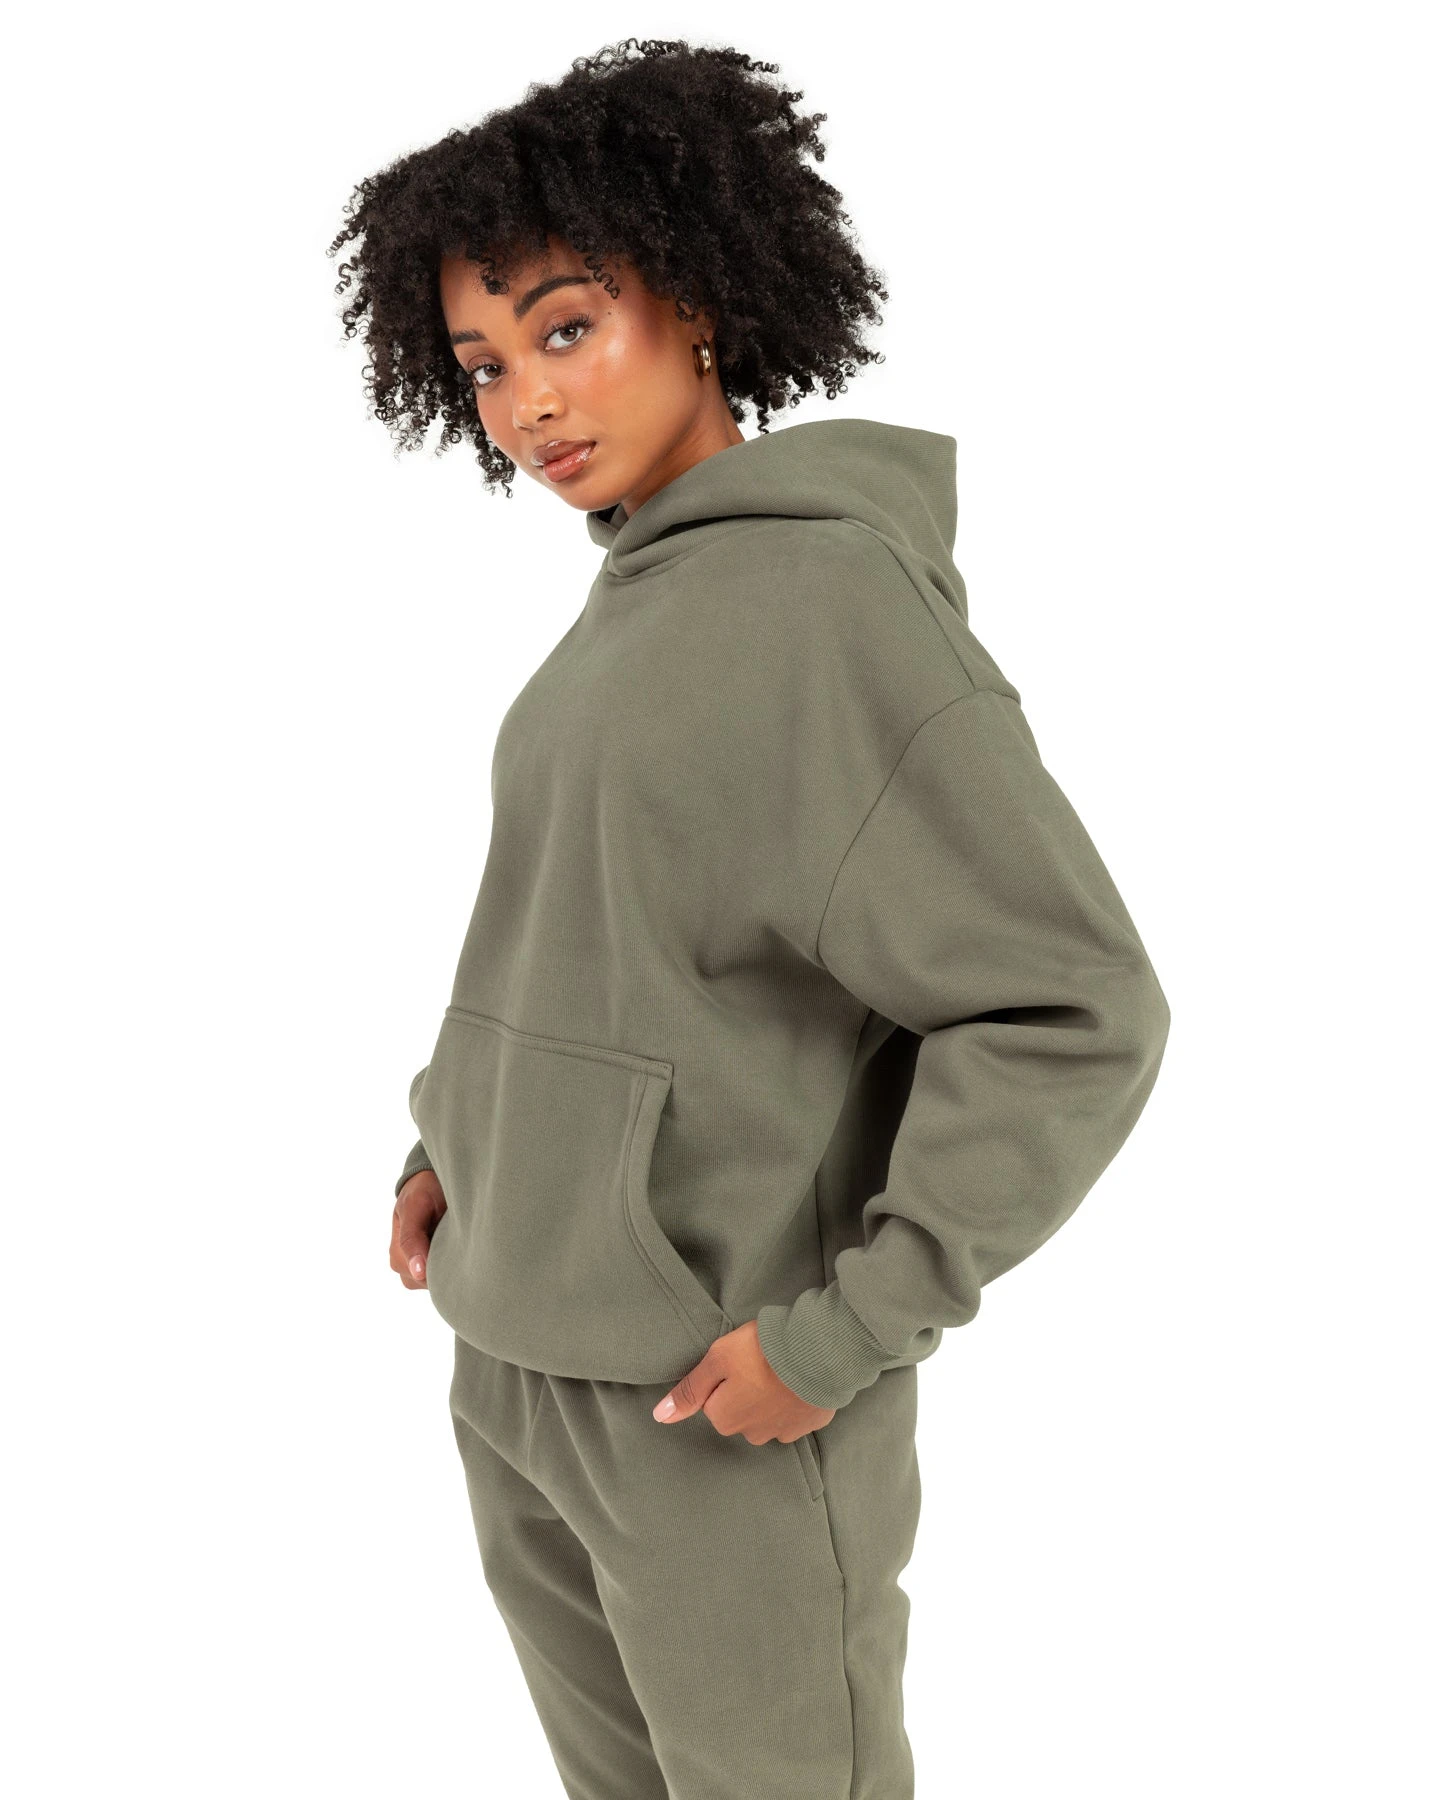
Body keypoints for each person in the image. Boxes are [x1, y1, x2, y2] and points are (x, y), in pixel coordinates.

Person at [331, 38, 1171, 1800]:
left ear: (700, 297)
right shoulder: (639, 599)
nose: (527, 403)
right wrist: (456, 1143)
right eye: (483, 365)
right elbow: (590, 929)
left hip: (713, 1400)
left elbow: (1072, 1006)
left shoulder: (822, 599)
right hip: (520, 1365)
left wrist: (851, 1330)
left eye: (567, 328)